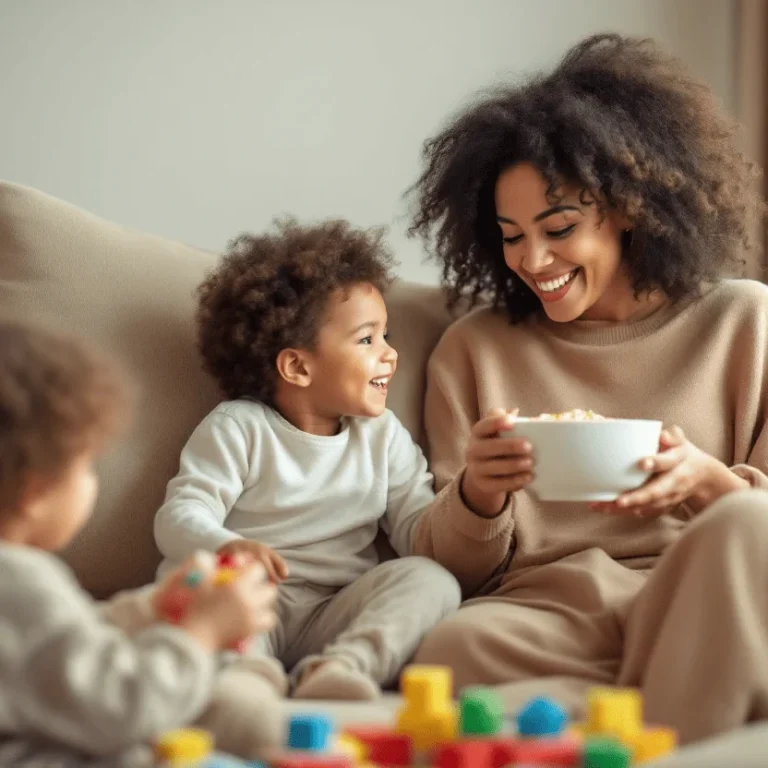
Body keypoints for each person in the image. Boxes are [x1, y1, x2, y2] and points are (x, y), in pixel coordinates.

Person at [407, 33, 768, 744]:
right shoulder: (472, 352)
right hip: (548, 615)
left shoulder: (748, 322)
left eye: (559, 227)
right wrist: (479, 494)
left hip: (701, 592)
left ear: (629, 208)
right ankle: (672, 701)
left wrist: (704, 482)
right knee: (453, 646)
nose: (533, 261)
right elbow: (452, 569)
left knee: (746, 522)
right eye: (511, 236)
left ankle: (640, 713)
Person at [153, 218, 461, 702]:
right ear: (298, 366)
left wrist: (476, 499)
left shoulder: (382, 436)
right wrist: (228, 546)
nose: (390, 355)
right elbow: (178, 518)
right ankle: (248, 675)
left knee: (431, 579)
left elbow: (419, 530)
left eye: (386, 336)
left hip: (336, 608)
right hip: (250, 600)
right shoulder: (239, 427)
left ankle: (341, 667)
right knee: (196, 586)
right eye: (368, 340)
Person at [0, 319, 276, 766]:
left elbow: (58, 659)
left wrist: (147, 611)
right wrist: (201, 634)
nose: (93, 482)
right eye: (87, 466)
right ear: (36, 494)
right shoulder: (22, 579)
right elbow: (123, 706)